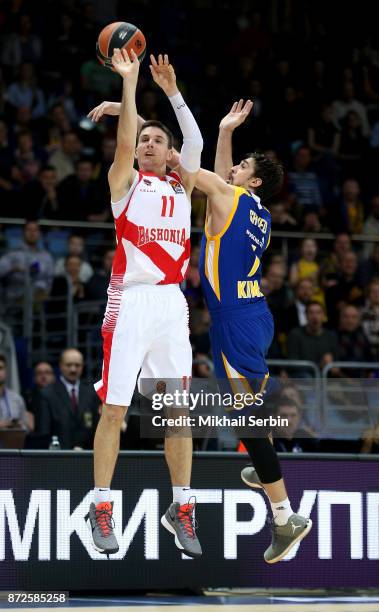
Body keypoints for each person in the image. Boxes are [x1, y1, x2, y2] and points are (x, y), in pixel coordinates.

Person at [88, 50, 203, 559]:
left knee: (178, 413)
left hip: (171, 305)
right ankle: (102, 505)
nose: (150, 143)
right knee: (114, 408)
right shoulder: (125, 183)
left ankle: (181, 507)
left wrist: (173, 92)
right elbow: (123, 141)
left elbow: (195, 142)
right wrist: (129, 88)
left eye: (159, 140)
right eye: (144, 140)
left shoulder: (181, 183)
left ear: (170, 152)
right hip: (130, 300)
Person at [196, 100, 312, 563]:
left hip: (234, 322)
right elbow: (222, 181)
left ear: (255, 180)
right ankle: (265, 468)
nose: (234, 168)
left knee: (248, 421)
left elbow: (182, 165)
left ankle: (285, 516)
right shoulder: (254, 208)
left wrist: (143, 122)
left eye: (242, 165)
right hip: (253, 313)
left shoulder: (228, 197)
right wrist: (225, 132)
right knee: (247, 411)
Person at [36, 348, 100, 450]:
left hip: (87, 456)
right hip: (58, 457)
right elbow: (43, 433)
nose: (73, 369)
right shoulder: (47, 394)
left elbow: (97, 428)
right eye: (69, 365)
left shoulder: (91, 393)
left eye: (77, 365)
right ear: (60, 365)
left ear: (83, 366)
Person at [0, 220, 54, 302]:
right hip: (16, 299)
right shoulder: (12, 253)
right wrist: (13, 268)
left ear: (39, 234)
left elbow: (50, 280)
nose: (32, 233)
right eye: (29, 230)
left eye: (35, 230)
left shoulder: (46, 256)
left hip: (40, 300)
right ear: (23, 233)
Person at [287, 301, 340, 369]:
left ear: (324, 316)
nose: (315, 317)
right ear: (306, 315)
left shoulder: (331, 336)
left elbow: (337, 364)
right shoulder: (295, 334)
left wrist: (333, 366)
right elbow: (293, 365)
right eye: (311, 313)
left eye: (318, 313)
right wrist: (319, 366)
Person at [0, 354, 32, 434]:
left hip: (12, 444)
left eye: (0, 368)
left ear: (6, 371)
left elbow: (26, 428)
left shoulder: (16, 398)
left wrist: (18, 426)